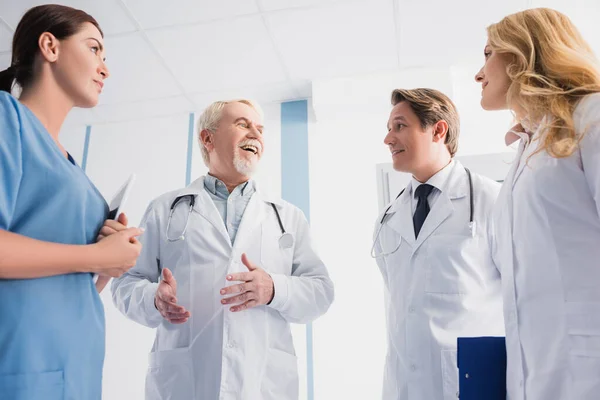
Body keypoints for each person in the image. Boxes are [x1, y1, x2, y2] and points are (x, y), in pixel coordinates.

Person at [112, 98, 334, 400]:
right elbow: (124, 284)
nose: (255, 134)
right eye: (243, 124)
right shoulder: (164, 209)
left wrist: (274, 289)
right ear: (208, 137)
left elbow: (321, 292)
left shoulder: (288, 216)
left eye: (259, 128)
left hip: (262, 383)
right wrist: (154, 299)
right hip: (185, 382)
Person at [0, 4, 143, 400]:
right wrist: (92, 257)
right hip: (21, 370)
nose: (105, 68)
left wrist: (107, 265)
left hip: (74, 375)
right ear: (50, 46)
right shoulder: (6, 120)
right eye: (94, 48)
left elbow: (66, 285)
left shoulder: (73, 169)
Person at [475, 8, 600, 400]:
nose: (479, 73)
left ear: (522, 54)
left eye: (488, 53)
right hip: (531, 377)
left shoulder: (590, 115)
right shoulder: (527, 149)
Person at [372, 88, 504, 399]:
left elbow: (523, 296)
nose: (388, 139)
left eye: (399, 126)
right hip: (402, 384)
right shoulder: (388, 218)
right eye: (389, 129)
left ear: (438, 130)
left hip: (470, 382)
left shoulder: (491, 201)